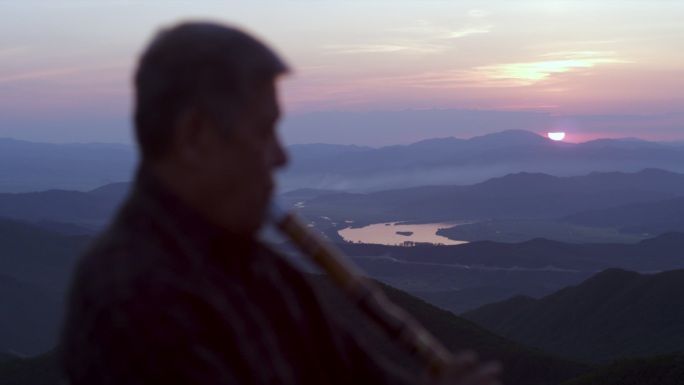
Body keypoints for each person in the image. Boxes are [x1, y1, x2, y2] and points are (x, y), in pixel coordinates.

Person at [59, 21, 502, 385]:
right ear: (195, 138)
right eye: (264, 130)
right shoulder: (131, 295)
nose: (281, 156)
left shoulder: (265, 272)